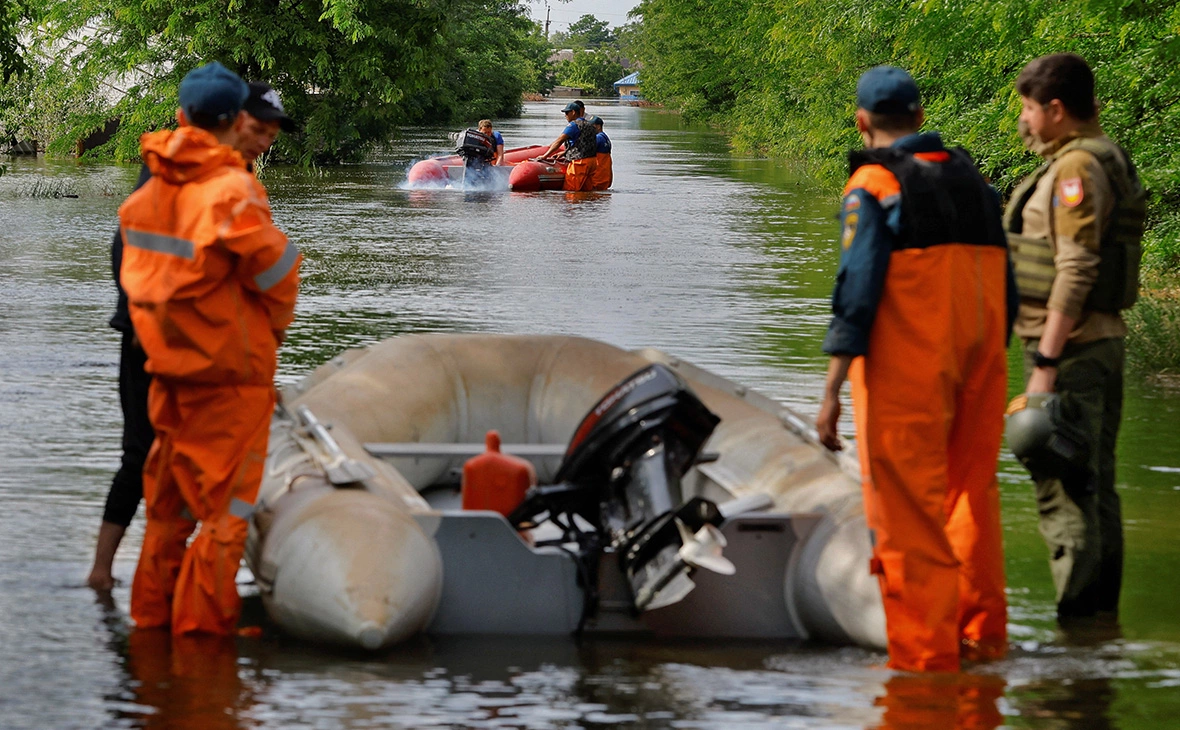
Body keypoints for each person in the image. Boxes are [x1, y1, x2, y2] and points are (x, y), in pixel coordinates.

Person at [814, 65, 1014, 672]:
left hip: (910, 370)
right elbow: (1009, 281)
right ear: (922, 119)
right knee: (970, 499)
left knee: (906, 513)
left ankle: (925, 665)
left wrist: (830, 393)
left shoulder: (874, 184)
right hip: (983, 363)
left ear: (862, 121)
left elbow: (858, 291)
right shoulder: (976, 182)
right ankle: (982, 644)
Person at [86, 80, 297, 592]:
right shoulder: (212, 179)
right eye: (258, 128)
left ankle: (136, 588)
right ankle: (108, 573)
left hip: (164, 340)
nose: (264, 140)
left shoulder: (185, 167)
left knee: (157, 468)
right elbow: (271, 274)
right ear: (234, 121)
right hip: (164, 344)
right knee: (147, 459)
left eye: (271, 132)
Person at [1005, 53, 1144, 621]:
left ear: (1056, 110)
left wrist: (1045, 360)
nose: (1024, 121)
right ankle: (1098, 637)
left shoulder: (1075, 171)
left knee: (1064, 494)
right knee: (1094, 489)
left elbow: (1077, 268)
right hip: (1094, 344)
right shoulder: (1098, 158)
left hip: (1074, 349)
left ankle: (1077, 636)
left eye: (1029, 109)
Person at [541, 101, 597, 191]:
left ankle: (573, 205)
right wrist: (565, 153)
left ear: (573, 112)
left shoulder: (573, 125)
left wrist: (545, 156)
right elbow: (583, 143)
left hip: (579, 162)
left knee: (571, 190)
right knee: (586, 191)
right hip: (592, 161)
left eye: (567, 113)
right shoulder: (590, 125)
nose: (565, 115)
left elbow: (559, 141)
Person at [589, 116, 612, 190]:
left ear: (598, 126)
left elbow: (585, 152)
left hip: (597, 179)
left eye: (591, 126)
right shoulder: (605, 138)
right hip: (605, 179)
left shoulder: (598, 138)